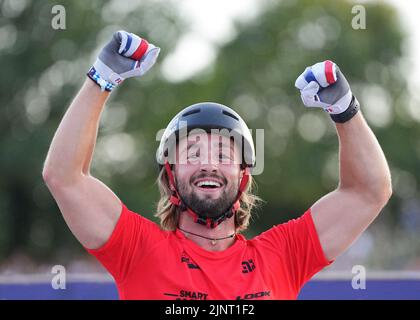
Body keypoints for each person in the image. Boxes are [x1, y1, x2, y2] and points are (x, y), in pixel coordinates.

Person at [42, 31, 392, 300]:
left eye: (224, 154)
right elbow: (64, 177)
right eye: (193, 152)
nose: (208, 163)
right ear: (171, 174)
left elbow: (369, 191)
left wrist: (345, 110)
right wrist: (101, 78)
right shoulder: (138, 250)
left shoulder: (283, 255)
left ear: (242, 176)